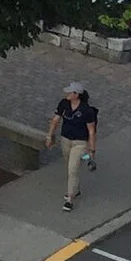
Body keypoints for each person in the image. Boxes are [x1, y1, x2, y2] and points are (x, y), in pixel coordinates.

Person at [47, 82, 100, 212]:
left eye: (70, 92)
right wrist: (50, 136)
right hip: (65, 140)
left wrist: (92, 150)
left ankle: (70, 198)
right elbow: (55, 120)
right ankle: (76, 189)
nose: (67, 94)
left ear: (76, 95)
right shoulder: (64, 104)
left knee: (72, 169)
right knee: (69, 165)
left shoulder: (86, 111)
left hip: (80, 143)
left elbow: (91, 131)